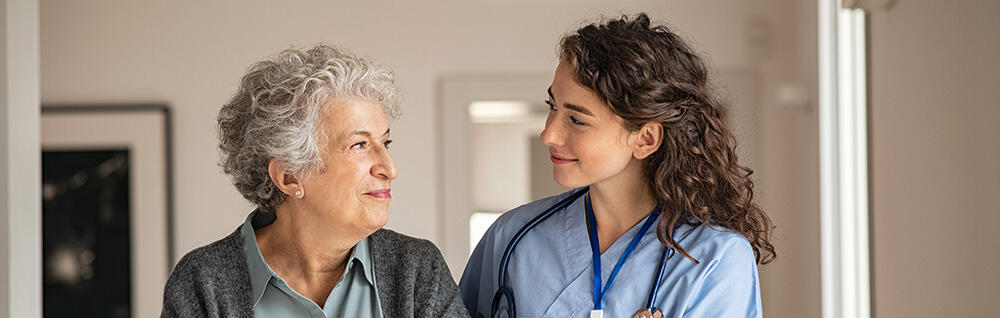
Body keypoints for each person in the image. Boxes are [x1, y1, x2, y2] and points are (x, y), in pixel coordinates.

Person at [459, 13, 775, 318]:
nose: (548, 134)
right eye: (552, 106)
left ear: (646, 139)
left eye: (576, 119)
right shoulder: (513, 237)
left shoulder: (714, 259)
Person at [162, 45, 469, 317]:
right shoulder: (202, 283)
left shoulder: (417, 271)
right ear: (290, 176)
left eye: (384, 144)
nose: (389, 168)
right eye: (359, 145)